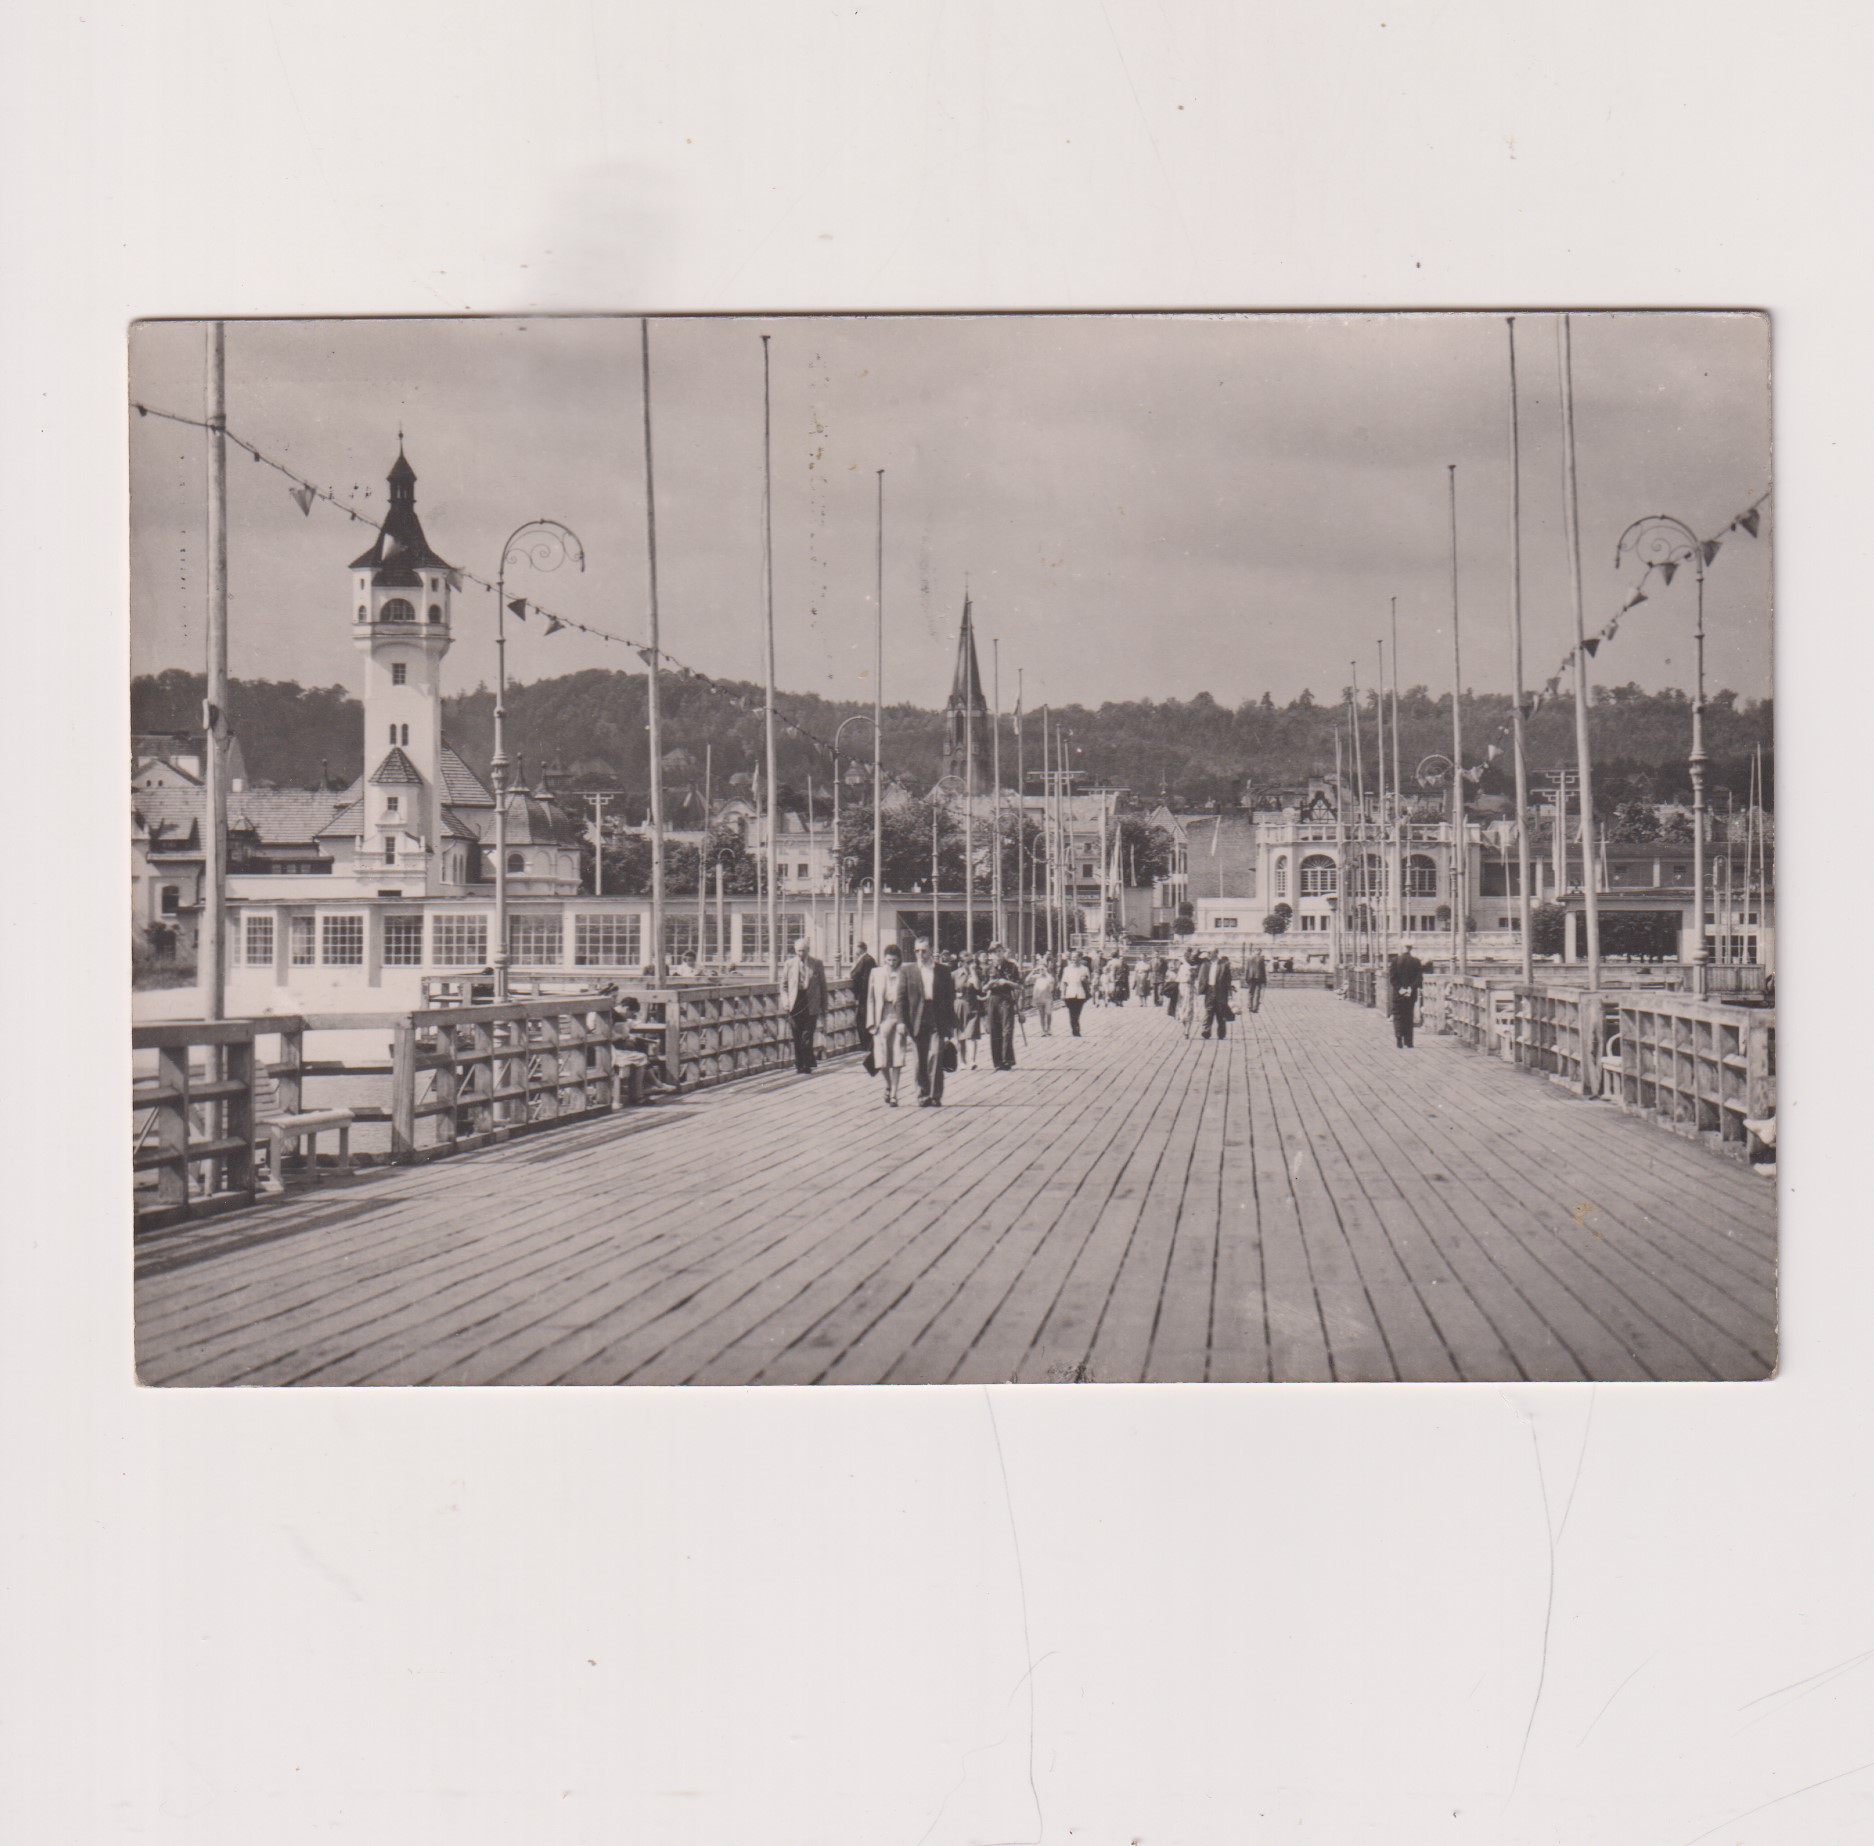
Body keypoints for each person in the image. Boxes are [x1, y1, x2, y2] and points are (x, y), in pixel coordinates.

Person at [902, 935, 957, 1106]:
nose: (920, 954)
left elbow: (949, 998)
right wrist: (902, 1022)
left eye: (924, 951)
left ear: (931, 950)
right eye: (917, 951)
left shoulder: (943, 970)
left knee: (936, 1055)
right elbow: (901, 998)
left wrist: (951, 1024)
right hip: (917, 1018)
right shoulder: (908, 971)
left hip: (937, 1016)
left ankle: (935, 1095)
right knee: (919, 1058)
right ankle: (922, 1094)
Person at [866, 944, 909, 1106]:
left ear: (899, 960)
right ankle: (889, 1085)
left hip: (898, 1016)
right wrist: (871, 1022)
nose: (891, 963)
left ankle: (894, 1095)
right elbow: (870, 999)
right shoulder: (876, 973)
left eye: (894, 960)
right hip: (881, 1017)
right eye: (889, 960)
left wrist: (906, 1021)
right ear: (884, 959)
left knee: (898, 1055)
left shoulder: (904, 973)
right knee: (881, 1058)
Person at [779, 937, 827, 1073]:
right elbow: (783, 986)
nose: (801, 953)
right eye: (799, 951)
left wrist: (824, 1007)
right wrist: (786, 1002)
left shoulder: (817, 964)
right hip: (795, 1003)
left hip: (811, 1004)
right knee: (797, 1035)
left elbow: (823, 986)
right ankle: (799, 1064)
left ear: (808, 950)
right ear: (795, 951)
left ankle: (806, 1064)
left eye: (804, 951)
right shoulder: (789, 964)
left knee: (807, 1035)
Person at [983, 943, 1022, 1071]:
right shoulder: (987, 969)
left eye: (1000, 951)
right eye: (995, 952)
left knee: (1007, 1030)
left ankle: (1007, 1059)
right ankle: (997, 1061)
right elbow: (983, 988)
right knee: (994, 1030)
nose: (998, 954)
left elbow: (1019, 985)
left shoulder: (1011, 967)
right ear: (991, 954)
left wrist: (1006, 982)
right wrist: (990, 984)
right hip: (993, 999)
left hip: (1006, 999)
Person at [1387, 941, 1425, 1049]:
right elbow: (1419, 979)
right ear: (1411, 948)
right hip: (1410, 994)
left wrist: (1400, 989)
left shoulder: (1395, 961)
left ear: (1402, 948)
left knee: (1398, 1015)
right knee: (1408, 1016)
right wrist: (1410, 988)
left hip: (1398, 994)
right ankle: (1408, 1042)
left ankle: (1399, 1037)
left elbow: (1392, 979)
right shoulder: (1416, 961)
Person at [848, 940, 878, 1074]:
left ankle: (866, 1045)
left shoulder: (866, 960)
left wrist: (859, 995)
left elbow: (861, 977)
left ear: (861, 949)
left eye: (856, 948)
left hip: (865, 995)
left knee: (863, 1019)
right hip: (865, 995)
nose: (854, 951)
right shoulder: (865, 959)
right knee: (863, 1018)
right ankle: (866, 1044)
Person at [955, 956, 985, 1069]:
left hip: (972, 1006)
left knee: (971, 1034)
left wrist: (973, 972)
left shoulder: (976, 974)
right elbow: (949, 989)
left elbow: (978, 987)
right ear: (962, 963)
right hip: (959, 1006)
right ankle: (962, 1061)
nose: (970, 965)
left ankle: (972, 1060)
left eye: (972, 962)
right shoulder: (955, 974)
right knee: (961, 1036)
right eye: (967, 962)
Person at [1202, 952, 1235, 1040]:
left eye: (1210, 953)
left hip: (1221, 991)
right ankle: (1206, 1031)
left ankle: (1221, 1033)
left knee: (1220, 1012)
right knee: (1209, 1011)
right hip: (1210, 990)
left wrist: (1229, 994)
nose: (1208, 954)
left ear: (1216, 953)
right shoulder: (1206, 963)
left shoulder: (1223, 965)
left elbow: (1228, 980)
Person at [1059, 953, 1090, 1037]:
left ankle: (1075, 1028)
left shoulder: (1084, 969)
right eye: (1072, 958)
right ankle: (1075, 1030)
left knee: (1077, 1012)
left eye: (1075, 958)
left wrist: (1085, 980)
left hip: (1080, 993)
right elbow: (1064, 982)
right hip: (1070, 992)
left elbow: (1088, 982)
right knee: (1072, 1013)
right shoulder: (1067, 969)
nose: (1073, 959)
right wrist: (1062, 993)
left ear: (1079, 958)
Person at [1029, 957, 1057, 1036]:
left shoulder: (1048, 977)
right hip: (1039, 998)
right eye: (1040, 969)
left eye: (1042, 969)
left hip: (1047, 998)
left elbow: (1051, 981)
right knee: (1041, 1015)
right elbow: (1027, 980)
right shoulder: (1037, 977)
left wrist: (1046, 972)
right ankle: (1043, 1030)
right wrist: (1033, 971)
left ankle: (1049, 1028)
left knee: (1048, 1014)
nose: (1041, 971)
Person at [1242, 946, 1266, 1014]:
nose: (1260, 952)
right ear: (1259, 951)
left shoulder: (1249, 957)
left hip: (1250, 977)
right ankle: (1255, 1008)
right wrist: (1264, 979)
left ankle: (1250, 1007)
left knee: (1250, 992)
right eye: (1260, 951)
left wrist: (1246, 978)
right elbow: (1263, 970)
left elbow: (1247, 968)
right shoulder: (1261, 958)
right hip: (1259, 977)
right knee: (1257, 993)